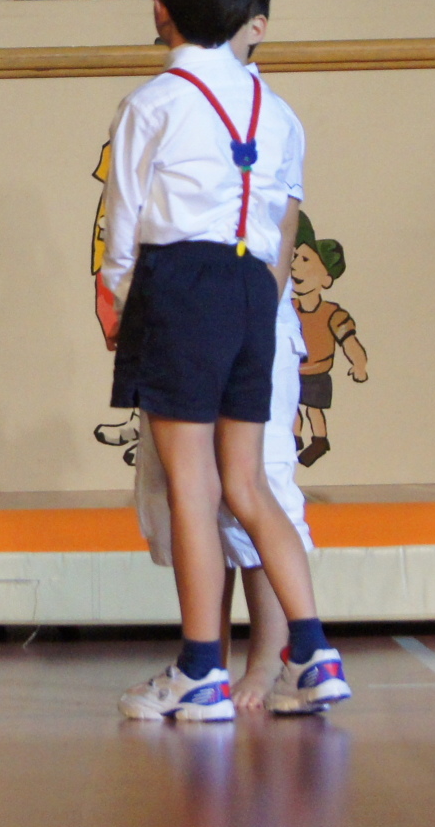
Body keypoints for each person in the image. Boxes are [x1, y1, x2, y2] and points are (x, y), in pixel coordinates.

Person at [101, 0, 350, 721]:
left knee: (193, 485)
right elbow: (281, 222)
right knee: (249, 484)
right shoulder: (277, 111)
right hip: (254, 290)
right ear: (248, 15)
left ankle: (200, 668)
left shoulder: (151, 103)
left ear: (160, 11)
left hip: (182, 283)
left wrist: (117, 295)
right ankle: (314, 653)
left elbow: (124, 222)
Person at [132, 281, 315, 709]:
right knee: (192, 494)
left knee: (253, 491)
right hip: (180, 326)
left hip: (250, 325)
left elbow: (276, 259)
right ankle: (206, 660)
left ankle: (270, 661)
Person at [291, 212, 366, 465]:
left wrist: (359, 364)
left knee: (314, 409)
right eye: (294, 258)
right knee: (291, 407)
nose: (295, 265)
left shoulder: (331, 313)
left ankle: (320, 440)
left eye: (305, 259)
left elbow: (349, 341)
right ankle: (294, 438)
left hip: (317, 374)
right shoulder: (288, 308)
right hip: (292, 371)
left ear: (326, 279)